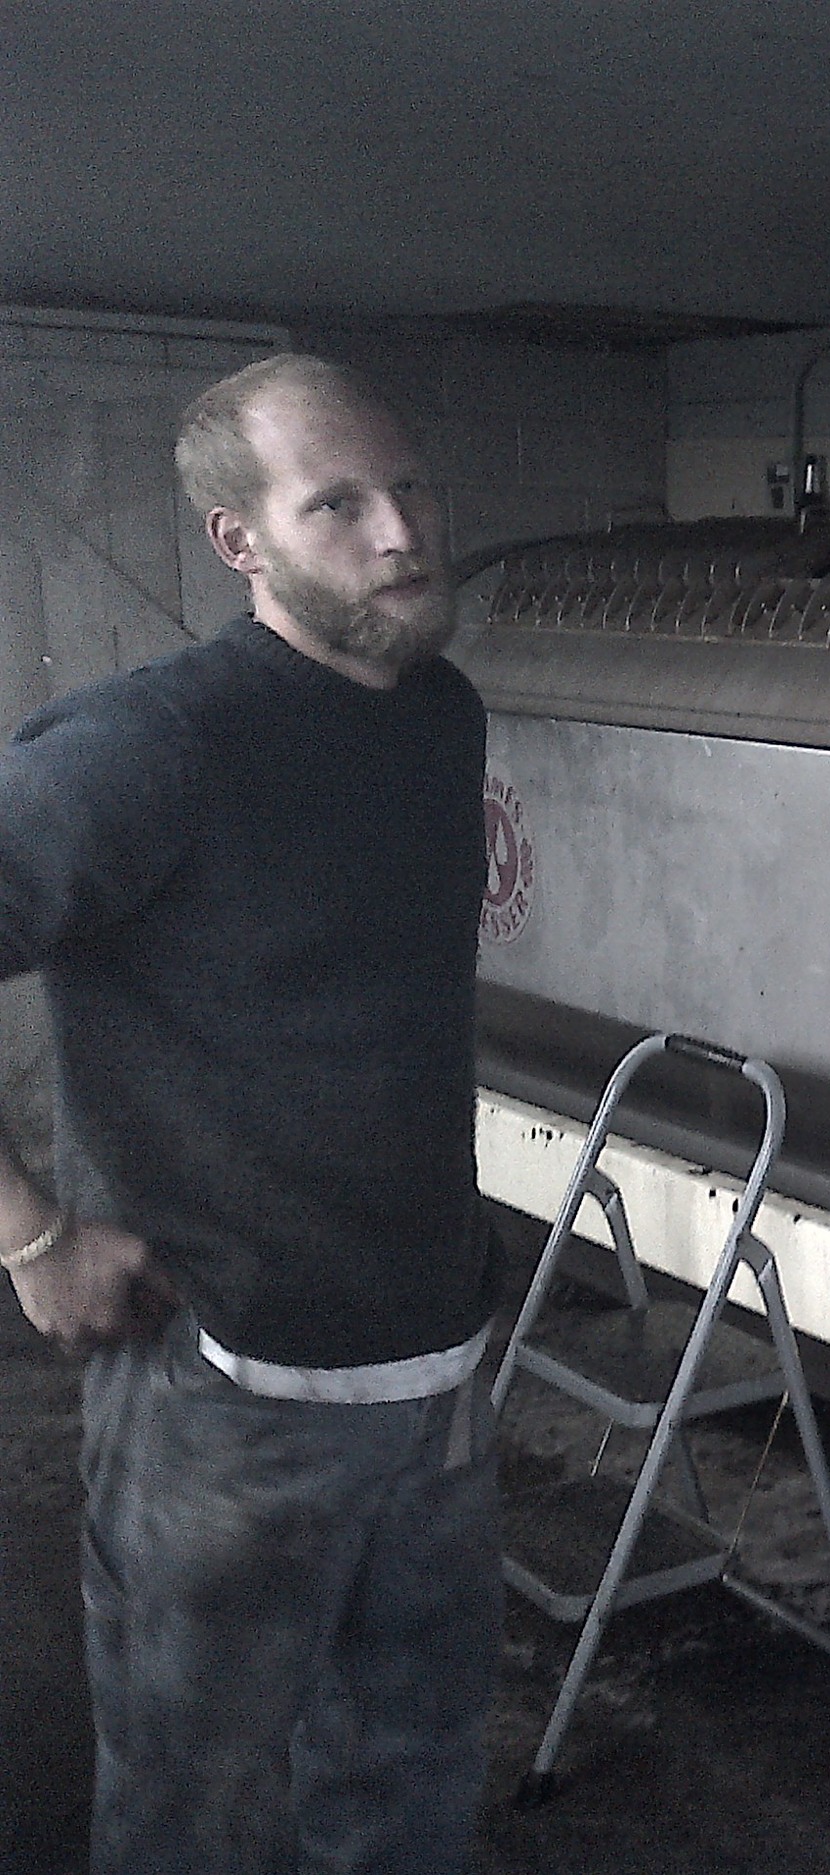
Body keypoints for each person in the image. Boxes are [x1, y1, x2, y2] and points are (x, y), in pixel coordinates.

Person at [0, 355, 500, 1871]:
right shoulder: (151, 749)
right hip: (225, 1395)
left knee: (409, 1781)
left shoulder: (439, 713)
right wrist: (28, 1241)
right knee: (194, 1808)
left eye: (409, 485)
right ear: (243, 542)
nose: (401, 531)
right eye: (337, 502)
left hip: (437, 1380)